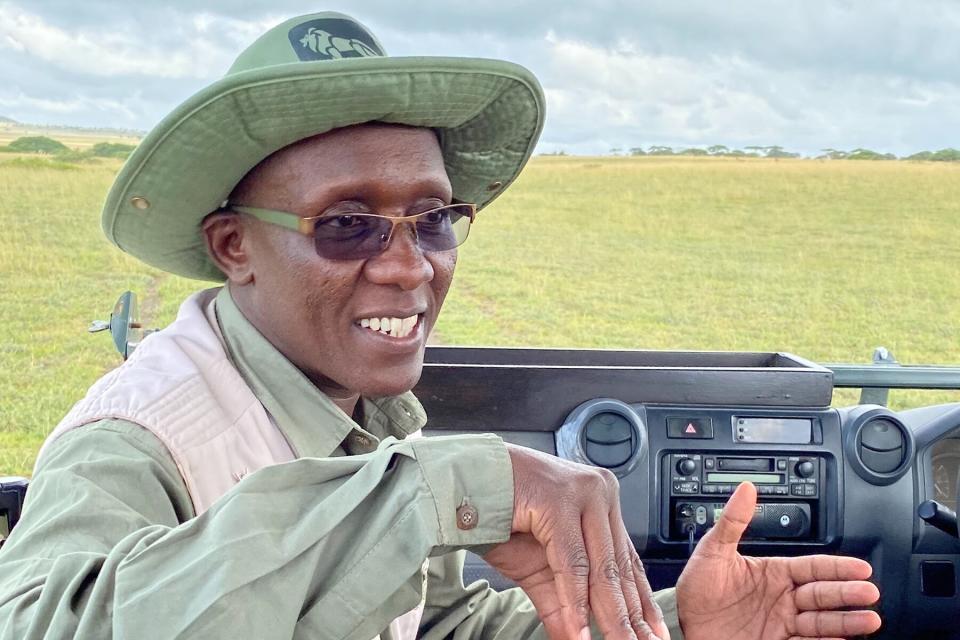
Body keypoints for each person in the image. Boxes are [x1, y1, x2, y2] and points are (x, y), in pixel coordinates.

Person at [0, 11, 882, 640]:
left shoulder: (349, 412)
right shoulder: (136, 441)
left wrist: (674, 625)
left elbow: (426, 624)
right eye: (345, 224)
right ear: (234, 247)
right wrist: (426, 492)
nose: (410, 266)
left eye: (433, 219)